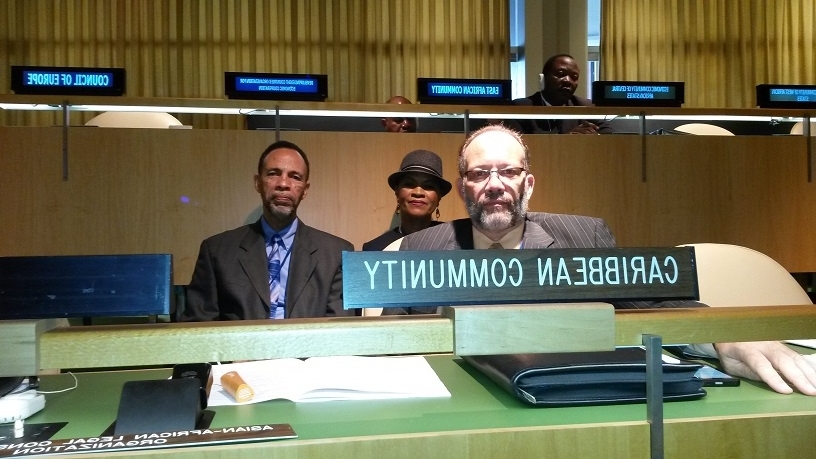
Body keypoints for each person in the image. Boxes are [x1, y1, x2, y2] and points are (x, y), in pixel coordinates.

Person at [387, 124, 816, 396]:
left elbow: (655, 305)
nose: (495, 185)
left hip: (569, 400)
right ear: (462, 188)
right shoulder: (420, 248)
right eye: (480, 174)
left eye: (509, 172)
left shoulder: (584, 236)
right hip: (456, 399)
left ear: (529, 183)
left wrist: (726, 337)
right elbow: (388, 342)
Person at [180, 140, 354, 321]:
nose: (283, 184)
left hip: (309, 349)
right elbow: (198, 327)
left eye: (295, 177)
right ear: (258, 183)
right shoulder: (217, 251)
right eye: (273, 174)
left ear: (305, 190)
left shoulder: (336, 254)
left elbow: (339, 331)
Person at [362, 149, 452, 251]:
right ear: (397, 192)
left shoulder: (456, 242)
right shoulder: (375, 249)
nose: (418, 192)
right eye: (409, 184)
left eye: (428, 186)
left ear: (439, 196)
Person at [511, 54, 610, 135]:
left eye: (574, 77)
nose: (568, 81)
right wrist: (565, 139)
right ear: (543, 79)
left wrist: (595, 136)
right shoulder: (521, 108)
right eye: (560, 74)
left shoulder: (584, 106)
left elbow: (609, 131)